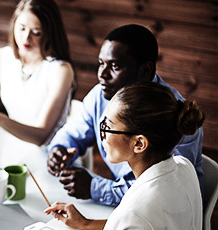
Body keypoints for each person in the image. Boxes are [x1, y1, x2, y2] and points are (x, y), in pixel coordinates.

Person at [32, 82, 204, 230]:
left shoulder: (136, 213)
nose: (101, 135)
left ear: (139, 144)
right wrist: (86, 223)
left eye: (107, 126)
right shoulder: (184, 167)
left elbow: (138, 223)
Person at [47, 24, 203, 206]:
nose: (102, 74)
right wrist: (59, 149)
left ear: (145, 71)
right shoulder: (100, 95)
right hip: (128, 208)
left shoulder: (173, 116)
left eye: (115, 66)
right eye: (101, 63)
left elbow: (164, 193)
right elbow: (72, 134)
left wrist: (95, 188)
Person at [0, 0, 75, 146]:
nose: (27, 38)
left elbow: (41, 137)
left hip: (51, 153)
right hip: (14, 144)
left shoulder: (61, 71)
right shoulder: (1, 57)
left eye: (36, 33)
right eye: (22, 28)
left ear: (49, 33)